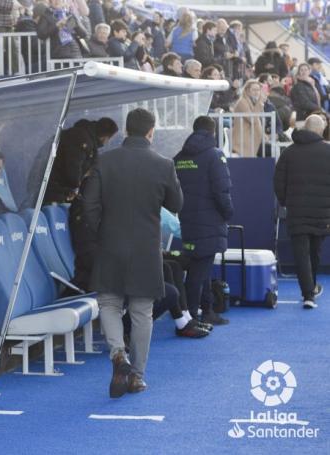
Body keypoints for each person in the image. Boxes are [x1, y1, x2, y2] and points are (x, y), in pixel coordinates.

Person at [82, 108, 183, 398]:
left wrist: (102, 230)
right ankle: (137, 376)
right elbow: (177, 203)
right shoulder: (163, 164)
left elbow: (88, 204)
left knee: (109, 303)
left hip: (110, 244)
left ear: (126, 130)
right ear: (151, 132)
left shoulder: (105, 159)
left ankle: (118, 354)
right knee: (142, 313)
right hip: (146, 249)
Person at [174, 116, 233, 326]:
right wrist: (228, 213)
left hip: (187, 219)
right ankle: (189, 317)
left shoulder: (179, 157)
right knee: (198, 272)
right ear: (213, 132)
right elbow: (222, 190)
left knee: (202, 266)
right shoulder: (215, 155)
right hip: (210, 220)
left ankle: (206, 311)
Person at [274, 114, 330, 309]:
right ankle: (312, 288)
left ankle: (308, 294)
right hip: (323, 214)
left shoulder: (289, 152)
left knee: (301, 254)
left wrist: (286, 202)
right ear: (321, 130)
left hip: (296, 212)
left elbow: (278, 182)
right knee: (314, 252)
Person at [44, 117, 118, 204]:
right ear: (105, 137)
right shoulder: (82, 140)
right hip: (50, 190)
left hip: (50, 187)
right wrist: (82, 181)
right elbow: (72, 173)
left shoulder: (83, 136)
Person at [232, 79, 264, 156]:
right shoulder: (242, 102)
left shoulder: (255, 102)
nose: (257, 92)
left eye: (258, 90)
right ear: (247, 91)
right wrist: (259, 104)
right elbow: (252, 119)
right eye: (254, 90)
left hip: (252, 141)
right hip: (242, 142)